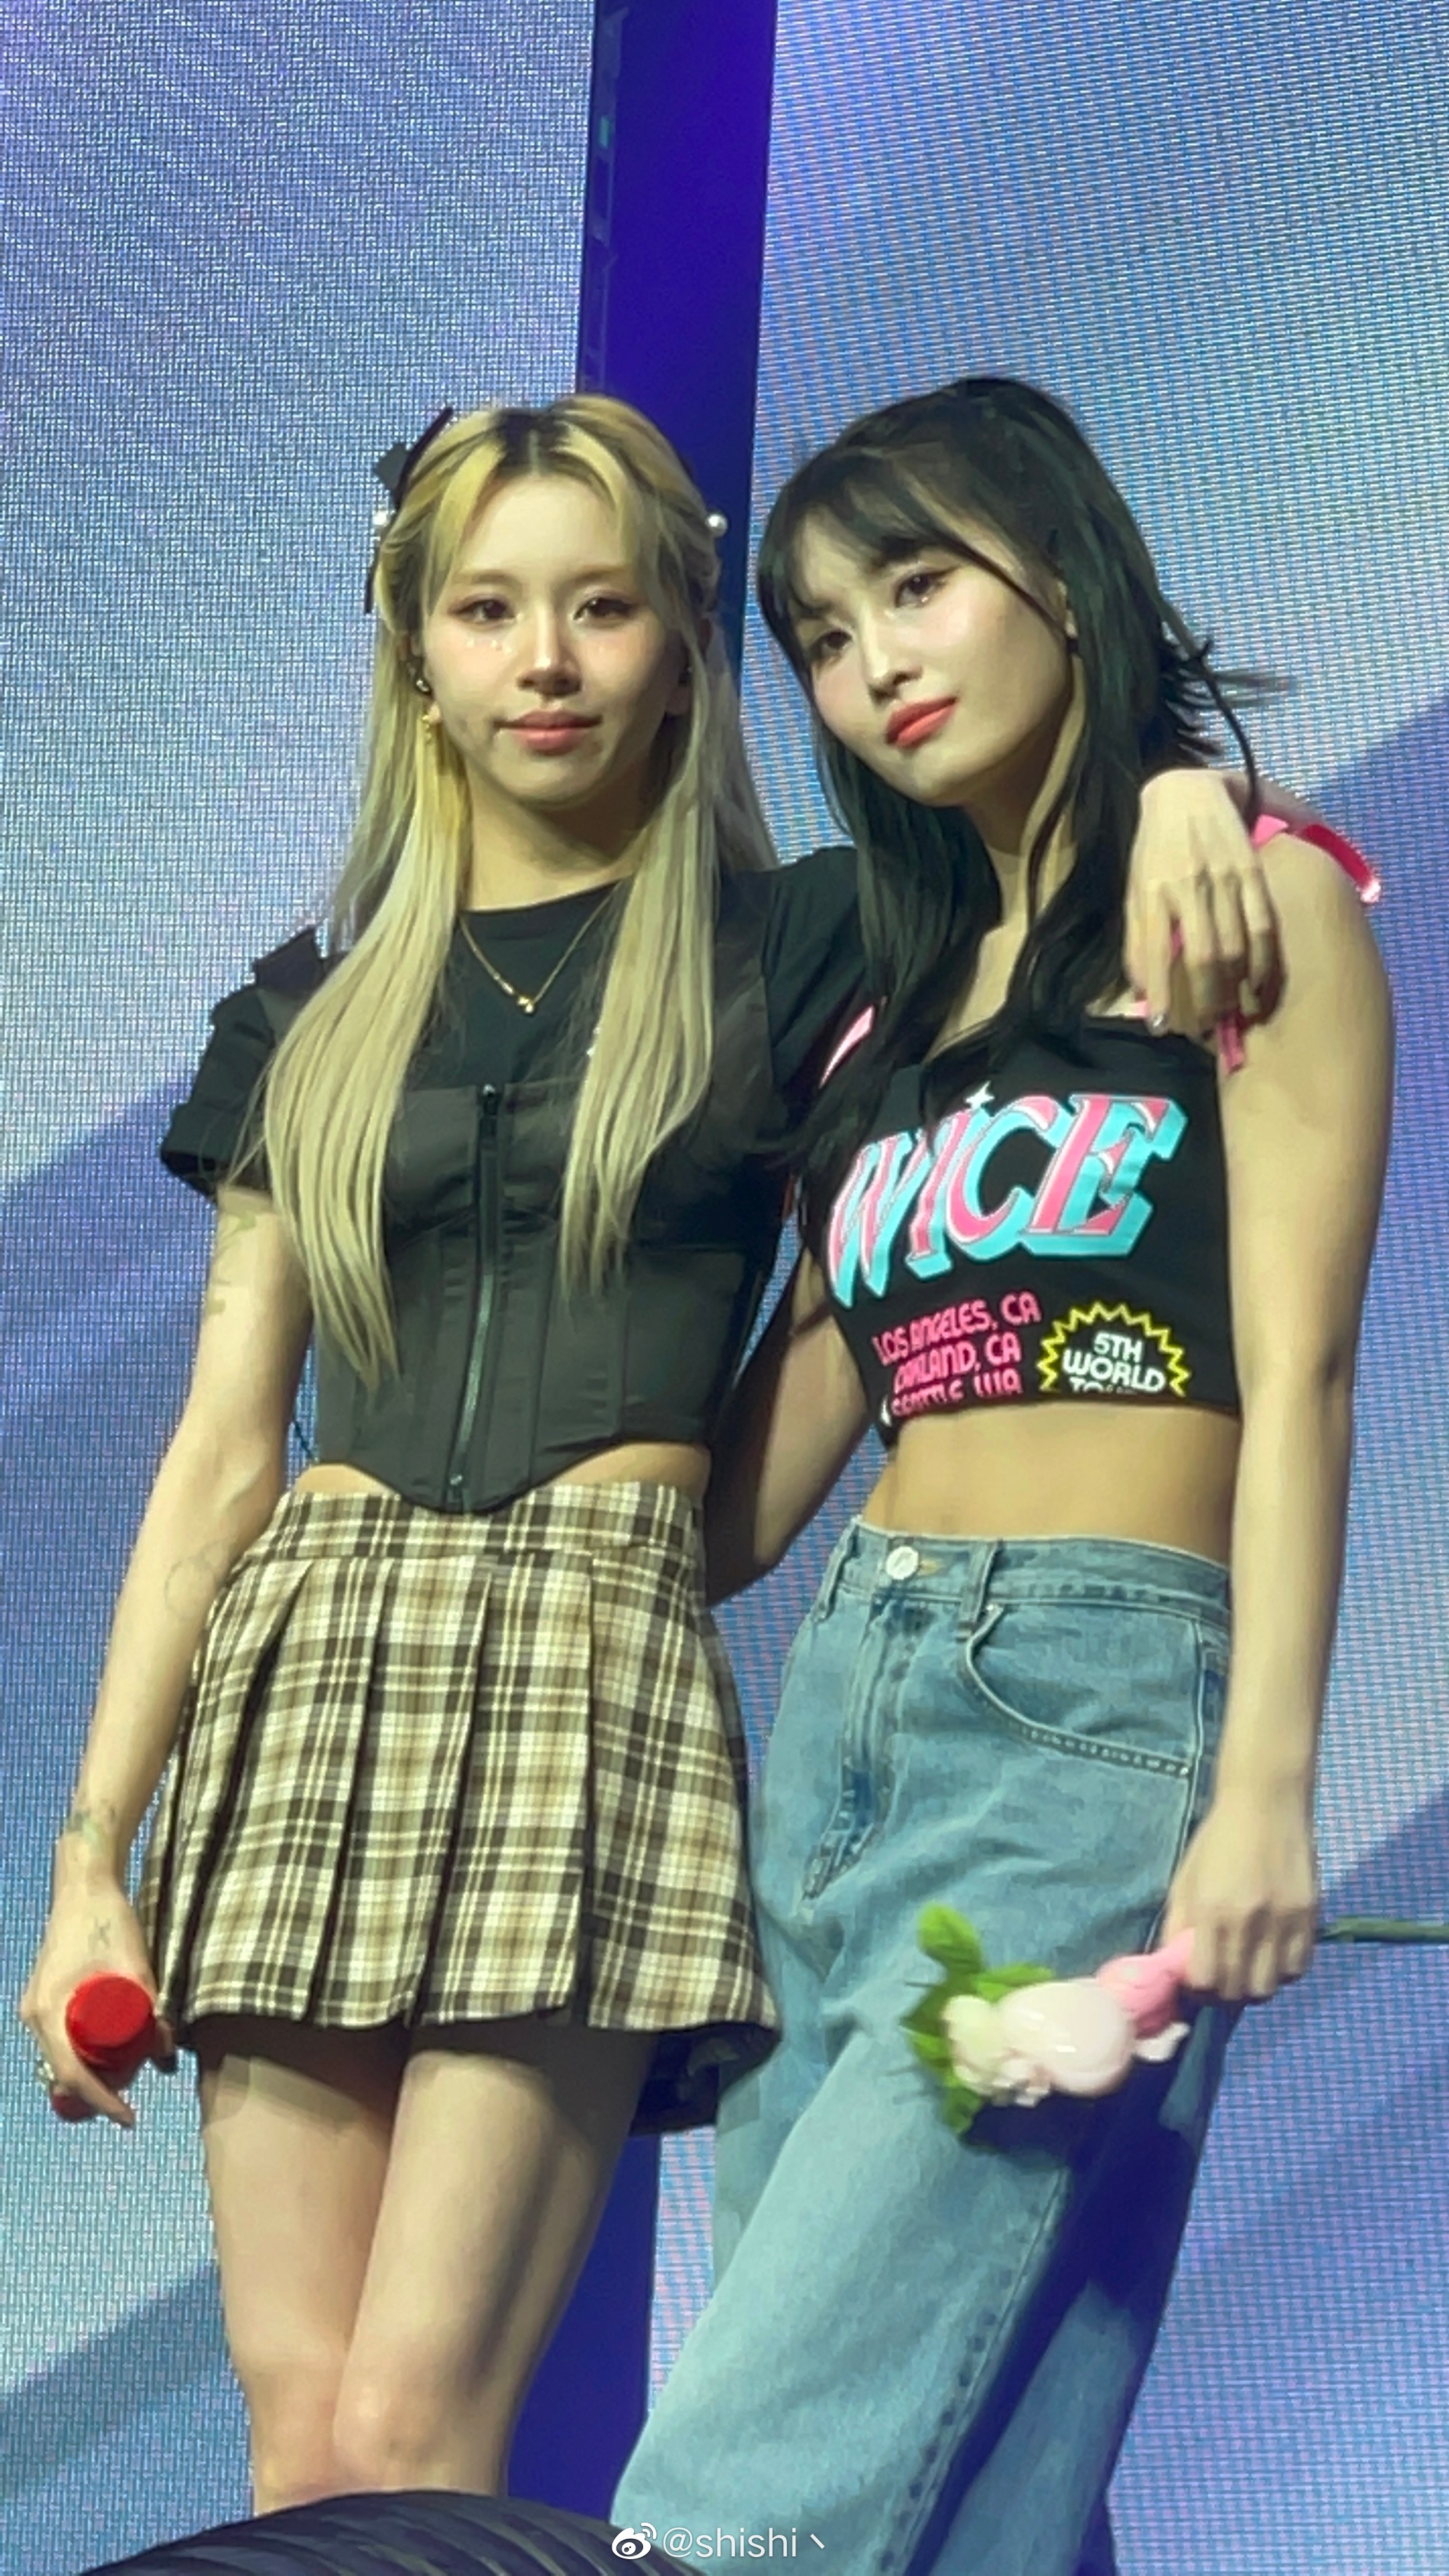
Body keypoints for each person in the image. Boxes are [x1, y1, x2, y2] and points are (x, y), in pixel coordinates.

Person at [17, 391, 1326, 2518]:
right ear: (415, 656)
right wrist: (94, 1855)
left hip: (588, 1648)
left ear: (680, 649)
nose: (544, 661)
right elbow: (215, 1465)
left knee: (416, 2430)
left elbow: (1037, 855)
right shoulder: (303, 1012)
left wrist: (1192, 785)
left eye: (602, 607)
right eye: (487, 610)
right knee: (299, 2433)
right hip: (305, 1656)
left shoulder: (802, 944)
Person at [614, 377, 1391, 2575]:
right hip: (846, 1725)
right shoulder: (877, 1023)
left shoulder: (1239, 902)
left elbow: (1303, 1373)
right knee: (975, 2480)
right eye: (822, 636)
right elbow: (748, 1502)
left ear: (1056, 567)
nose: (875, 664)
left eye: (916, 585)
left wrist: (1262, 1792)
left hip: (1085, 1722)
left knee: (749, 2490)